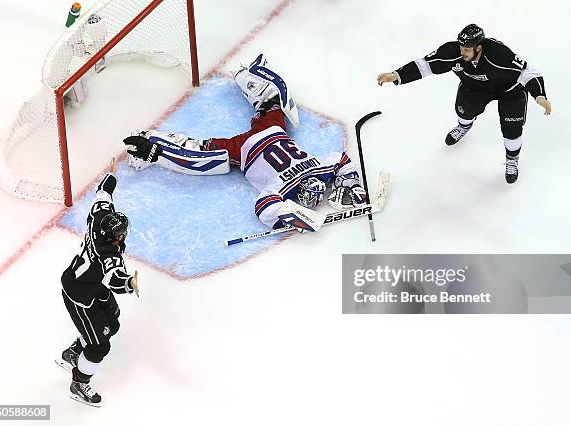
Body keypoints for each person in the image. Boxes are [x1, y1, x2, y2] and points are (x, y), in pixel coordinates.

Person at [123, 54, 368, 232]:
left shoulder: (317, 169)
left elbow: (338, 160)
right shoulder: (287, 185)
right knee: (201, 155)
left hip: (271, 131)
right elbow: (263, 206)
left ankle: (249, 75)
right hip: (245, 150)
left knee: (272, 104)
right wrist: (351, 185)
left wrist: (348, 181)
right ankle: (151, 148)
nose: (315, 202)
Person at [377, 24, 551, 183]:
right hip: (475, 88)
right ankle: (464, 127)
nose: (462, 52)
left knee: (512, 130)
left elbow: (528, 72)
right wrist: (396, 75)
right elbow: (425, 65)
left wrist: (540, 96)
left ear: (479, 47)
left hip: (510, 91)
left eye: (467, 49)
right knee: (463, 112)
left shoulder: (499, 54)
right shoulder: (452, 52)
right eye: (461, 47)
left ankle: (512, 159)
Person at [56, 157, 140, 407]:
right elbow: (115, 279)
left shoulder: (98, 218)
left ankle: (73, 353)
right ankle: (79, 383)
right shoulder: (109, 254)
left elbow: (103, 193)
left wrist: (111, 175)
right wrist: (130, 284)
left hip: (91, 285)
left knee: (112, 321)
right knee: (99, 347)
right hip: (79, 295)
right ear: (118, 236)